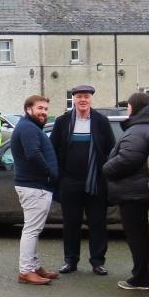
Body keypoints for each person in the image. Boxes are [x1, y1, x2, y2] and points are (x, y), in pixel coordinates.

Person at [49, 85, 115, 276]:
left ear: (91, 99)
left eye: (86, 96)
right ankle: (70, 261)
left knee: (97, 223)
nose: (83, 100)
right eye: (79, 97)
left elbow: (111, 149)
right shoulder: (62, 122)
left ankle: (97, 262)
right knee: (71, 223)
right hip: (70, 180)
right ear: (74, 100)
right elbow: (53, 149)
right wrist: (59, 176)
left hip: (96, 181)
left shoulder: (101, 121)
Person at [103, 93, 149, 290]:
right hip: (145, 190)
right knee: (146, 236)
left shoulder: (137, 130)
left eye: (129, 106)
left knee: (137, 237)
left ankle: (140, 278)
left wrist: (106, 168)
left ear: (134, 107)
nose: (127, 109)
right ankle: (148, 275)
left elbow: (128, 159)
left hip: (133, 193)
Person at [11, 95, 59, 285]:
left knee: (34, 229)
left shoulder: (28, 127)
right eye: (40, 108)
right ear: (28, 109)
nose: (43, 112)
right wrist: (50, 174)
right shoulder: (28, 128)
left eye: (46, 109)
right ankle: (26, 271)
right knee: (31, 230)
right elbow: (33, 154)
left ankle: (35, 266)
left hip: (34, 186)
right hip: (34, 186)